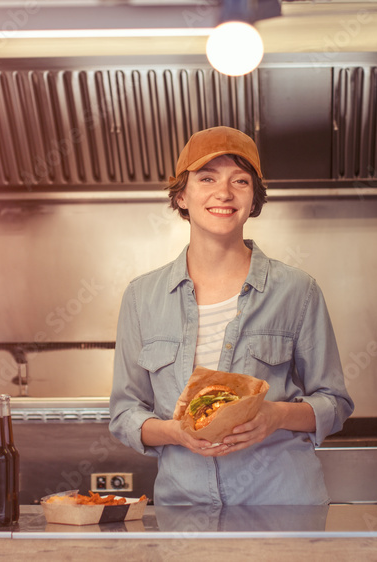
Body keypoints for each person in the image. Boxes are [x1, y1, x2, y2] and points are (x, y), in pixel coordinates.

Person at [109, 126, 354, 505]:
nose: (223, 193)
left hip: (281, 506)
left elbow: (334, 403)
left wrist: (274, 415)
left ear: (253, 199)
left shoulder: (297, 290)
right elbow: (125, 414)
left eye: (240, 181)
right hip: (185, 508)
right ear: (182, 195)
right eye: (207, 178)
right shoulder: (142, 297)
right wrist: (176, 433)